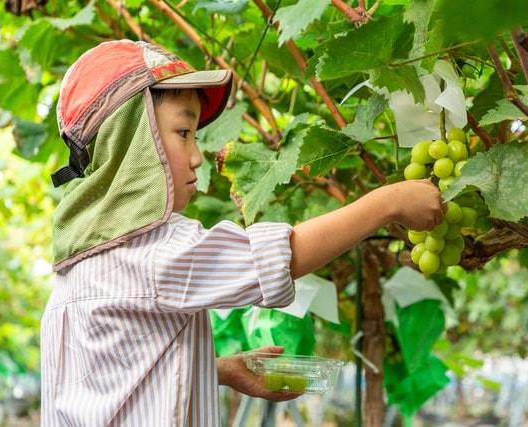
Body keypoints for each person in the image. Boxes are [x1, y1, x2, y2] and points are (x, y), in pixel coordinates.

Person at [40, 39, 445, 426]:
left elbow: (112, 383)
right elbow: (279, 258)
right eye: (184, 133)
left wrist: (216, 370)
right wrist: (389, 202)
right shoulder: (153, 249)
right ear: (132, 143)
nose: (198, 156)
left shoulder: (77, 268)